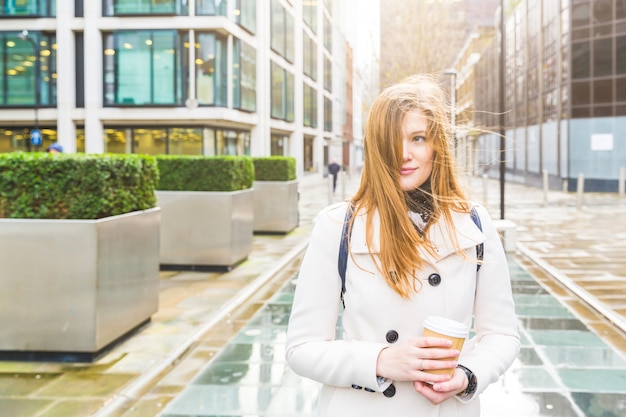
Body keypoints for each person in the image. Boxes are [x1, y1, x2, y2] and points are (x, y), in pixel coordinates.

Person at [285, 74, 520, 417]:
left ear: (436, 144)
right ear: (375, 146)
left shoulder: (474, 224)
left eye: (418, 138)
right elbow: (301, 348)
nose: (404, 155)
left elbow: (502, 334)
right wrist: (381, 360)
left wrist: (466, 377)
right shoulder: (338, 226)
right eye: (391, 140)